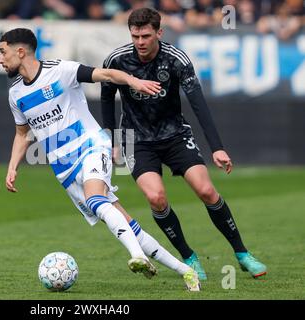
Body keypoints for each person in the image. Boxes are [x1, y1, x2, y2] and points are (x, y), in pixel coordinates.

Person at [0, 27, 200, 291]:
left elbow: (104, 74)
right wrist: (13, 166)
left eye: (3, 52)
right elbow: (22, 134)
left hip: (91, 146)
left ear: (21, 51)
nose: (1, 59)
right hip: (64, 169)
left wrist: (132, 81)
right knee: (125, 223)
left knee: (96, 199)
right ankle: (186, 271)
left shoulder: (60, 71)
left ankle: (137, 257)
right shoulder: (16, 95)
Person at [101, 8, 267, 280]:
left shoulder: (176, 60)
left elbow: (198, 105)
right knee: (156, 198)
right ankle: (189, 257)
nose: (140, 42)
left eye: (145, 35)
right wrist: (111, 139)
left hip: (175, 135)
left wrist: (217, 147)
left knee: (206, 191)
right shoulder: (116, 60)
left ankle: (242, 253)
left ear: (159, 32)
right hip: (137, 139)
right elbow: (106, 96)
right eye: (135, 36)